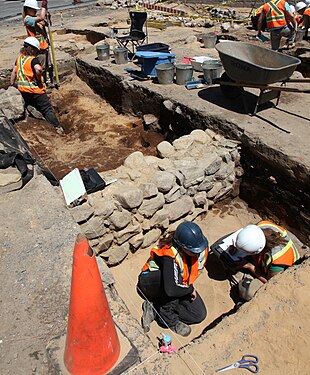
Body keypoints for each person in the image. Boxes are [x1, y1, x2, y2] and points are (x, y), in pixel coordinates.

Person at [137, 221, 209, 337]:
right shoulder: (169, 255)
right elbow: (172, 289)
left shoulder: (200, 246)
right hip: (151, 282)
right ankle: (168, 319)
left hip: (178, 283)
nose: (198, 252)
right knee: (173, 286)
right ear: (182, 246)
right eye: (193, 250)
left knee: (198, 314)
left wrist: (188, 288)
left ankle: (154, 308)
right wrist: (189, 290)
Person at [211, 220, 301, 301]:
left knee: (248, 292)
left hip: (274, 274)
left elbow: (271, 283)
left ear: (257, 251)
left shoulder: (277, 262)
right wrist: (237, 245)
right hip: (260, 258)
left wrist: (249, 266)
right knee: (218, 248)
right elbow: (247, 238)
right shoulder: (262, 226)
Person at [10, 37, 62, 133]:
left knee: (32, 104)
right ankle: (57, 127)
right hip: (35, 91)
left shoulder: (19, 59)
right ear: (33, 49)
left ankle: (32, 111)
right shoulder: (33, 60)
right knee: (47, 109)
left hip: (23, 91)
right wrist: (38, 79)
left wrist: (12, 84)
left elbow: (14, 72)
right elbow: (38, 69)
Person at [23, 0, 50, 82]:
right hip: (37, 48)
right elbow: (41, 18)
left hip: (44, 46)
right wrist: (43, 7)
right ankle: (40, 84)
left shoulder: (34, 18)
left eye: (36, 9)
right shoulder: (28, 19)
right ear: (27, 9)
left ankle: (46, 82)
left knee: (47, 66)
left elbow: (46, 23)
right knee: (40, 68)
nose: (35, 11)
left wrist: (48, 18)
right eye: (33, 9)